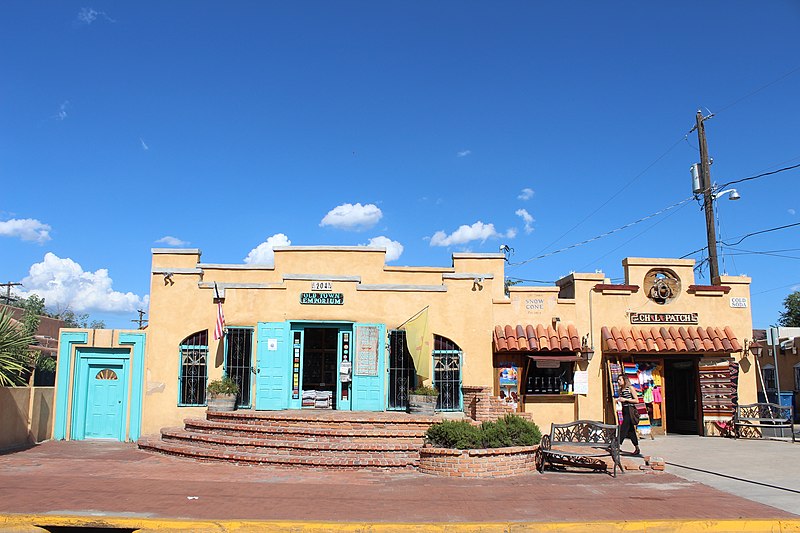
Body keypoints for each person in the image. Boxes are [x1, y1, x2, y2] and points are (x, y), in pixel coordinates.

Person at [616, 374, 641, 456]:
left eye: (620, 380)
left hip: (630, 410)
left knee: (623, 427)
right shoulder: (620, 390)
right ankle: (637, 447)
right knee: (630, 430)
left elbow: (637, 400)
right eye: (618, 380)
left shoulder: (630, 388)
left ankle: (617, 445)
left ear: (624, 380)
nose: (618, 381)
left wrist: (625, 399)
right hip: (625, 410)